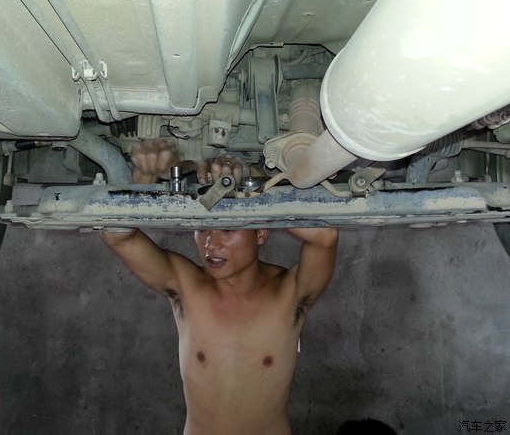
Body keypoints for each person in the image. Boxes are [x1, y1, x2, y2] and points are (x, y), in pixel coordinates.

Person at [102, 140, 339, 435]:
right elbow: (118, 236)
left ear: (261, 233)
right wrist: (143, 181)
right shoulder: (186, 285)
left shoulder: (288, 294)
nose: (210, 244)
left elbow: (325, 238)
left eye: (227, 228)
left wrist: (254, 197)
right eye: (203, 228)